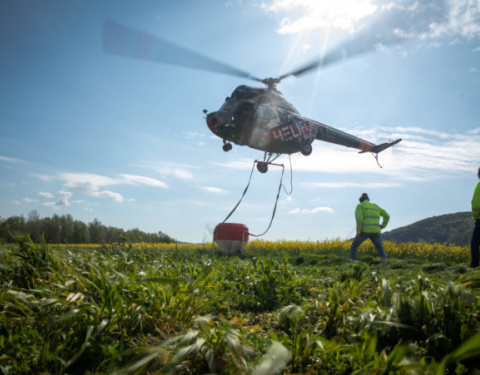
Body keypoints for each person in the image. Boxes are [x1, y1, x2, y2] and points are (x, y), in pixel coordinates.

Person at [350, 193, 390, 261]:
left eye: (361, 196)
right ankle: (385, 261)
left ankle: (353, 261)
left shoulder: (360, 206)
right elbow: (387, 216)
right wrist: (383, 225)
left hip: (365, 230)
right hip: (376, 230)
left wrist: (358, 233)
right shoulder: (376, 206)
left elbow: (359, 220)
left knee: (354, 246)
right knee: (379, 247)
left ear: (362, 199)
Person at [470, 167, 480, 268]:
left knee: (475, 243)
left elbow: (476, 204)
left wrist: (475, 218)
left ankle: (475, 265)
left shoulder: (479, 186)